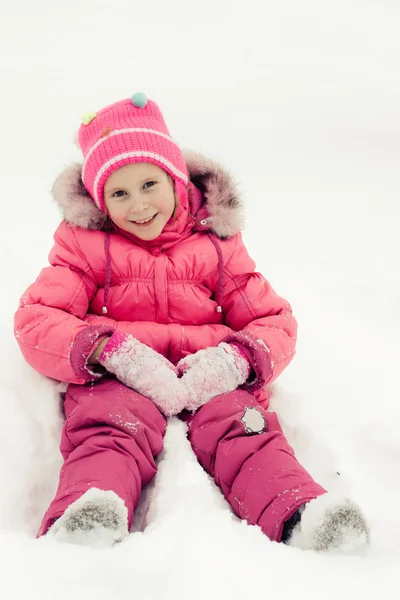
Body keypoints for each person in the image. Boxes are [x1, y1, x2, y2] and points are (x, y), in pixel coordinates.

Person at [14, 92, 369, 552]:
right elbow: (37, 319)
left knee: (245, 430)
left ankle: (300, 512)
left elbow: (272, 319)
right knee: (108, 430)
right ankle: (86, 516)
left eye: (149, 185)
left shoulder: (216, 243)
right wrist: (110, 353)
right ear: (100, 200)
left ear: (176, 180)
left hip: (207, 375)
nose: (138, 205)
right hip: (125, 379)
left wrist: (235, 361)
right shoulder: (84, 245)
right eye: (119, 193)